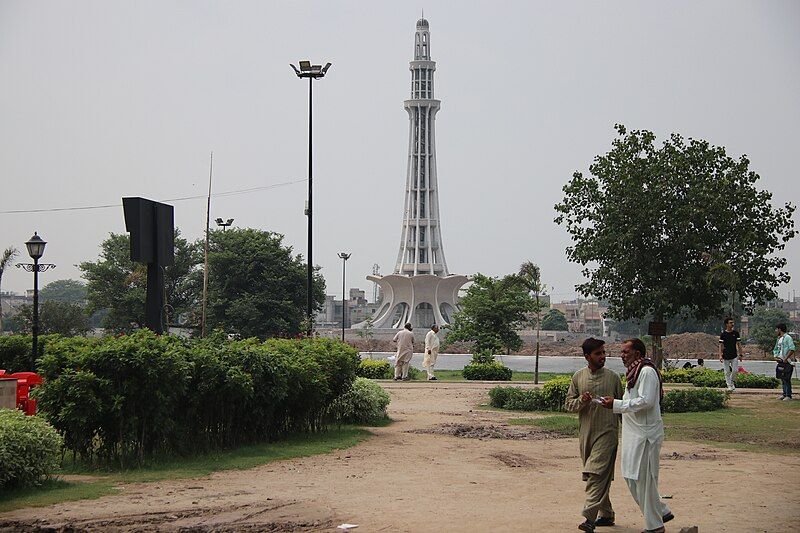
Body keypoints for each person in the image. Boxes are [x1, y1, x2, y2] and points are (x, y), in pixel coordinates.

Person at [599, 338, 673, 533]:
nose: (622, 356)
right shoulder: (634, 371)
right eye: (621, 352)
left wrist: (616, 405)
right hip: (634, 435)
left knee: (645, 481)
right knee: (631, 476)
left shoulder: (647, 372)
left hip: (646, 436)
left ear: (638, 354)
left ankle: (655, 526)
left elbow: (646, 401)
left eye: (626, 352)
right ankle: (661, 510)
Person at [565, 338, 624, 532]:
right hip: (586, 435)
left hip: (608, 433)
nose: (603, 357)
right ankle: (606, 514)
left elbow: (624, 406)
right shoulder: (578, 377)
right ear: (587, 356)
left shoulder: (613, 378)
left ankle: (589, 517)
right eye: (598, 354)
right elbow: (569, 405)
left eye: (604, 353)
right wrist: (582, 400)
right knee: (598, 475)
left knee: (595, 473)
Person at [719, 318, 743, 392]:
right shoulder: (723, 334)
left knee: (735, 371)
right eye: (730, 323)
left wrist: (741, 354)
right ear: (726, 324)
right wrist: (720, 355)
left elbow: (739, 344)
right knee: (727, 372)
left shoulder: (736, 333)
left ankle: (732, 383)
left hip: (734, 355)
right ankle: (729, 385)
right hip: (726, 355)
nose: (732, 324)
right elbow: (720, 345)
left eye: (733, 323)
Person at [773, 323, 796, 401]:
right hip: (781, 361)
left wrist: (786, 358)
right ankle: (784, 394)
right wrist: (776, 357)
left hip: (787, 362)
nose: (775, 331)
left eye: (776, 329)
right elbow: (776, 349)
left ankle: (788, 395)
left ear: (780, 329)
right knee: (782, 378)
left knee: (787, 378)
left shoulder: (788, 338)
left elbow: (792, 348)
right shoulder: (779, 338)